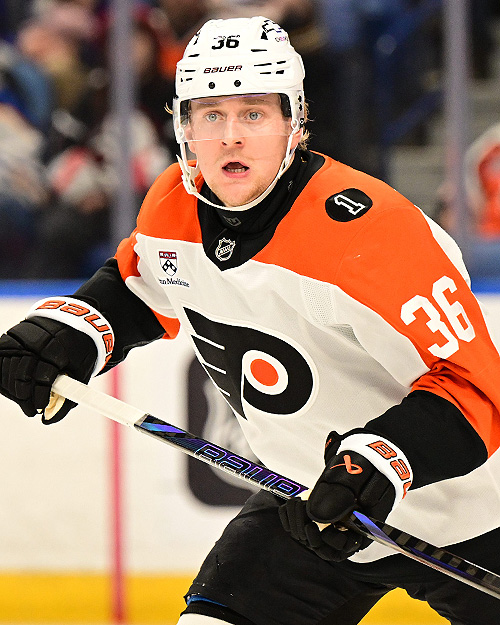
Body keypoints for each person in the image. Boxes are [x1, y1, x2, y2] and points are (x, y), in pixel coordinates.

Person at [0, 16, 500, 625]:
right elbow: (140, 287)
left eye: (254, 114)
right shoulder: (174, 203)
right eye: (211, 115)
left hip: (472, 514)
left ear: (295, 123)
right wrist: (69, 332)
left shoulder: (375, 237)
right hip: (308, 505)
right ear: (184, 125)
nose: (231, 137)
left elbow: (475, 388)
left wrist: (381, 461)